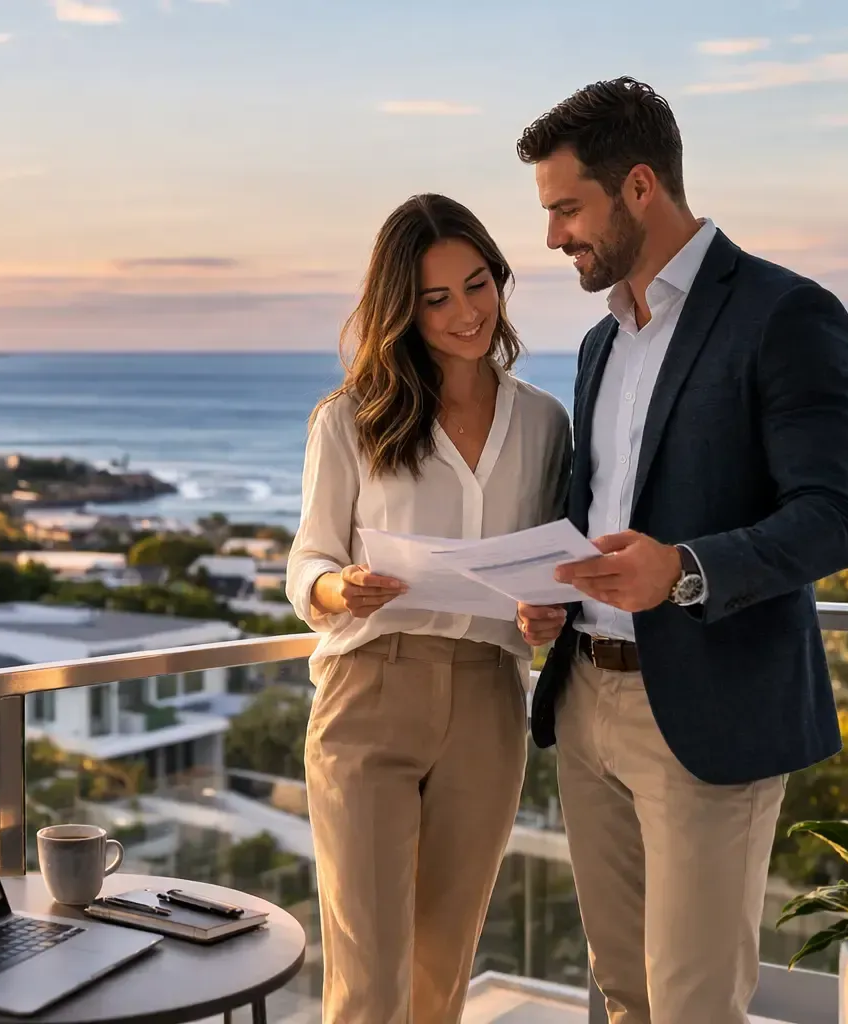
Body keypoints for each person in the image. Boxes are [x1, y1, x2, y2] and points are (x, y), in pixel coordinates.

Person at [513, 78, 848, 1024]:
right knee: (624, 992)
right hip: (585, 697)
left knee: (693, 1005)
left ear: (638, 187)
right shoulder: (600, 345)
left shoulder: (787, 315)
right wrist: (550, 593)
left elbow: (835, 515)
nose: (553, 237)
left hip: (710, 715)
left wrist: (686, 567)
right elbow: (598, 506)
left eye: (565, 208)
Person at [287, 193, 571, 1024]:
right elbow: (308, 557)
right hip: (370, 691)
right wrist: (343, 588)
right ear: (401, 311)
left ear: (500, 280)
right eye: (435, 299)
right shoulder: (350, 419)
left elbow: (549, 564)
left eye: (477, 285)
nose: (465, 313)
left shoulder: (547, 422)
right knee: (368, 982)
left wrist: (543, 615)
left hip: (488, 698)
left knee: (439, 975)